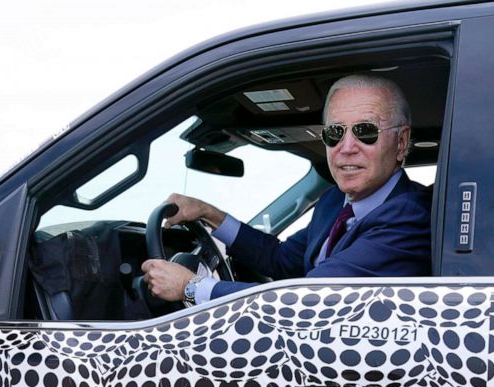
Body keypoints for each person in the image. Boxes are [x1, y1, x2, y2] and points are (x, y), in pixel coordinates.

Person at [141, 74, 431, 305]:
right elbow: (281, 259)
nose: (347, 148)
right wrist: (210, 214)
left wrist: (190, 288)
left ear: (401, 143)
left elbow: (305, 300)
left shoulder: (409, 217)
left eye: (365, 131)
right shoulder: (334, 201)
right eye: (335, 133)